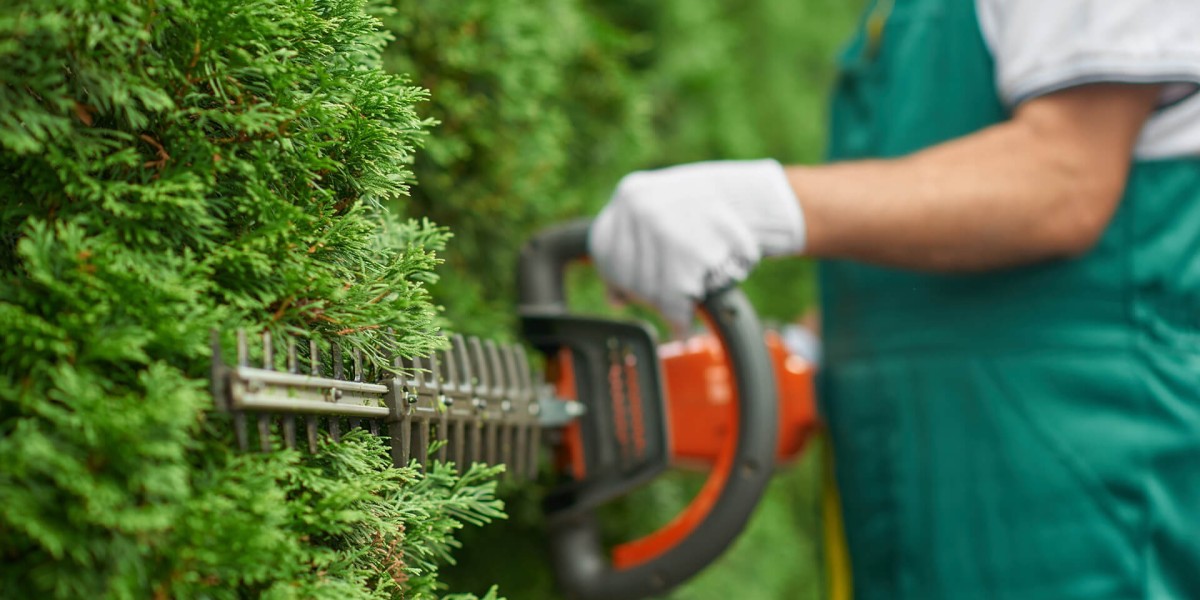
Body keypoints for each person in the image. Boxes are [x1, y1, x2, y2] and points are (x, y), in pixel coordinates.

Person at [587, 1, 1200, 598]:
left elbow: (1067, 177)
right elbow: (930, 243)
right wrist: (799, 359)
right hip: (922, 479)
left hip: (1075, 477)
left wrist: (765, 202)